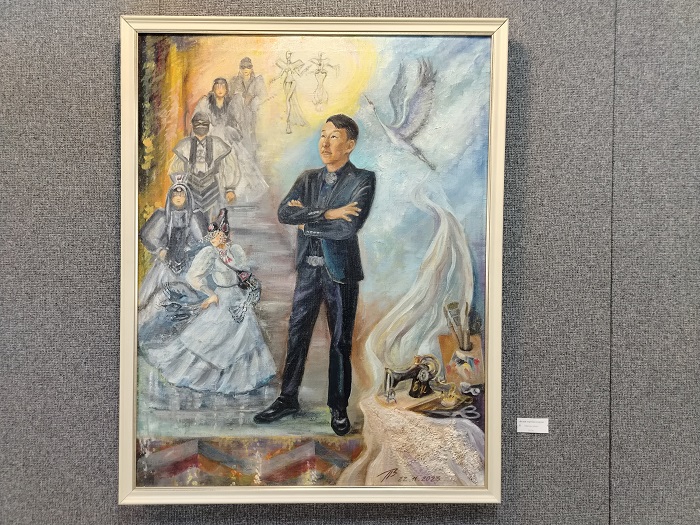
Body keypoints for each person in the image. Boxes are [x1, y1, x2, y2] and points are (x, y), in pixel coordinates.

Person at [254, 114, 376, 435]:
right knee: (297, 334)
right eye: (323, 135)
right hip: (308, 269)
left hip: (341, 273)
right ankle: (287, 398)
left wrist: (307, 224)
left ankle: (338, 407)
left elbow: (348, 227)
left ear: (349, 145)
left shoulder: (363, 180)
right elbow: (285, 213)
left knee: (340, 341)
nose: (325, 143)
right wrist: (328, 213)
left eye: (334, 137)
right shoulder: (308, 179)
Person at [139, 209, 277, 395]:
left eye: (217, 235)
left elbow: (244, 273)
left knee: (246, 338)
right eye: (211, 236)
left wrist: (247, 290)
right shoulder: (209, 253)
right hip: (221, 299)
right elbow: (194, 277)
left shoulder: (236, 251)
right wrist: (209, 293)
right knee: (212, 338)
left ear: (225, 234)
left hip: (239, 299)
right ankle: (208, 379)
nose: (213, 238)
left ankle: (242, 380)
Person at [137, 183, 208, 343]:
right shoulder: (162, 216)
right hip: (165, 266)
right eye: (175, 195)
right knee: (159, 299)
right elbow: (148, 236)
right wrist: (160, 250)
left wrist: (189, 249)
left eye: (182, 195)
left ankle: (186, 335)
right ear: (170, 197)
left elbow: (202, 240)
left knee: (190, 298)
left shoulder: (195, 216)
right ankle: (157, 332)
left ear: (187, 198)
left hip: (188, 265)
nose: (178, 198)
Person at [195, 78, 269, 204]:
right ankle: (214, 193)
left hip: (227, 136)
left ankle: (231, 191)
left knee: (234, 159)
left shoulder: (231, 103)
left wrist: (232, 130)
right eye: (217, 87)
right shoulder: (206, 103)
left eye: (223, 87)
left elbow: (237, 121)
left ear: (226, 89)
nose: (220, 90)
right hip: (211, 135)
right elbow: (200, 119)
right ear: (213, 89)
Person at [168, 112, 239, 218]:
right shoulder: (184, 145)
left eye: (204, 123)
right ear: (193, 125)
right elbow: (176, 168)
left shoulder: (218, 143)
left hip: (212, 189)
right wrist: (179, 188)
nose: (200, 125)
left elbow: (229, 166)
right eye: (197, 123)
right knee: (191, 219)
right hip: (190, 189)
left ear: (208, 125)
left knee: (214, 220)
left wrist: (229, 188)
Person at [230, 58, 266, 156]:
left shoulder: (257, 80)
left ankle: (253, 152)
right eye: (243, 67)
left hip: (253, 113)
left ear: (252, 68)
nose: (246, 69)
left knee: (252, 132)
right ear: (240, 68)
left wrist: (252, 100)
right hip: (239, 113)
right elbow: (231, 97)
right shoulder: (234, 81)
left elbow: (263, 96)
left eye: (248, 66)